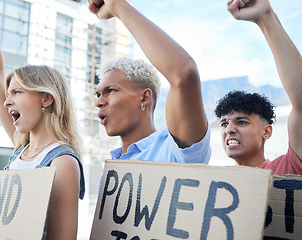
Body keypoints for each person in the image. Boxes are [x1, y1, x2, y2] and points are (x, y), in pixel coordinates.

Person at [0, 0, 85, 239]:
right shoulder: (21, 147)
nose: (6, 102)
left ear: (46, 99)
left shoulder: (62, 163)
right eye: (8, 93)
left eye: (17, 92)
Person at [88, 0, 211, 163]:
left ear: (145, 97)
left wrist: (116, 5)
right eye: (98, 94)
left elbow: (183, 73)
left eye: (110, 91)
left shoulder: (172, 152)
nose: (99, 102)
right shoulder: (112, 167)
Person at [214, 0, 302, 174]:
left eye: (241, 122)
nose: (230, 129)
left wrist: (265, 17)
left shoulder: (286, 169)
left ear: (267, 131)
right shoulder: (215, 182)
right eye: (224, 123)